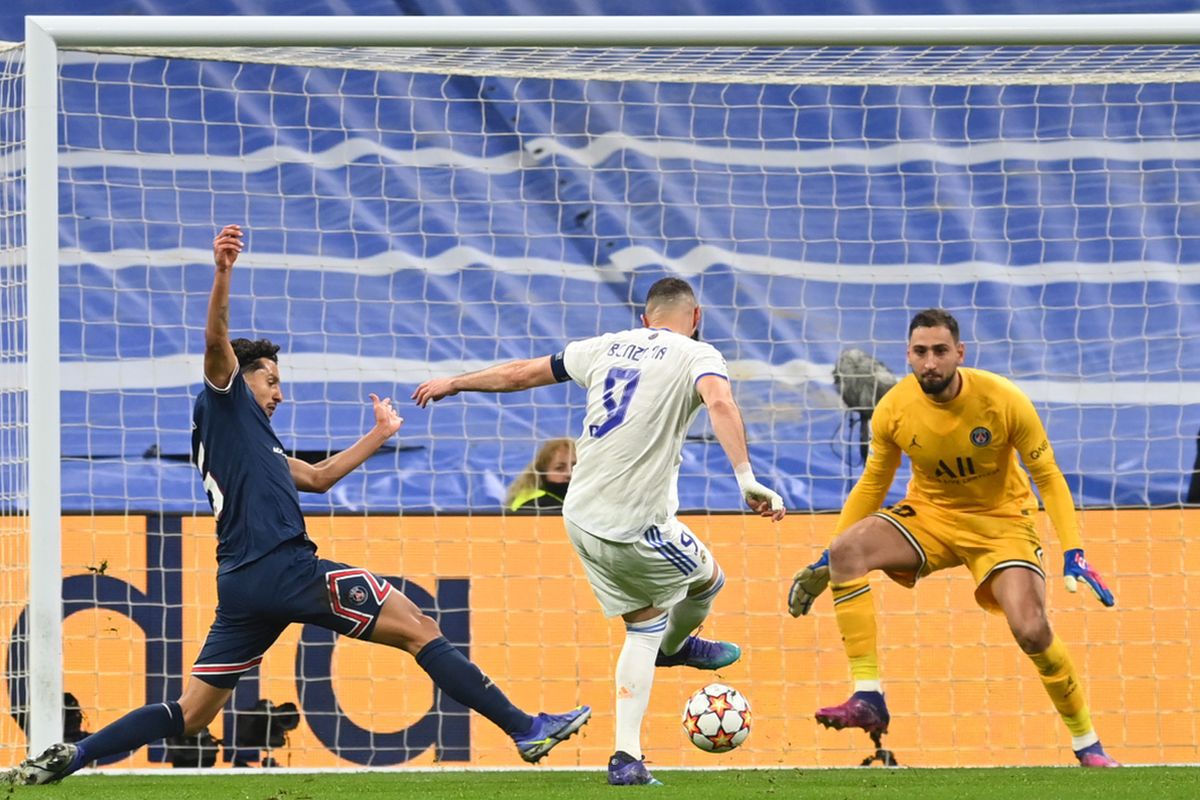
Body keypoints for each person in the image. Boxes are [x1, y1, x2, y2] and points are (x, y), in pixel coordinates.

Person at [6, 224, 589, 785]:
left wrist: (379, 434)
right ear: (242, 378)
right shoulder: (225, 400)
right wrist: (223, 272)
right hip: (285, 568)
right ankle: (525, 728)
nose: (280, 394)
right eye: (272, 382)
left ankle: (76, 754)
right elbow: (215, 342)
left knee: (193, 712)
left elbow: (318, 477)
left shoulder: (250, 442)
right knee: (419, 627)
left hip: (242, 584)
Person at [413, 277, 786, 786]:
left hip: (580, 518)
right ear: (696, 318)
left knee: (643, 625)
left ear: (644, 319)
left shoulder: (605, 346)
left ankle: (626, 759)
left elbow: (522, 374)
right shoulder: (699, 354)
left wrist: (455, 383)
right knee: (708, 582)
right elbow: (720, 403)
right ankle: (677, 647)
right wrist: (746, 479)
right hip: (634, 523)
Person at [787, 308, 1119, 768]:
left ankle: (1088, 743)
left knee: (1031, 630)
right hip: (932, 516)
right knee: (847, 550)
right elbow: (873, 483)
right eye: (920, 352)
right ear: (908, 355)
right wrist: (829, 558)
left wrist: (1074, 551)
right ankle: (868, 696)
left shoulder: (1002, 399)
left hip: (1003, 522)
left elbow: (1047, 475)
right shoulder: (894, 409)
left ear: (960, 353)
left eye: (940, 351)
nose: (930, 363)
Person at [506, 437, 576, 512]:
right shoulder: (540, 504)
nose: (569, 473)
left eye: (575, 466)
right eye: (559, 468)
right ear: (542, 472)